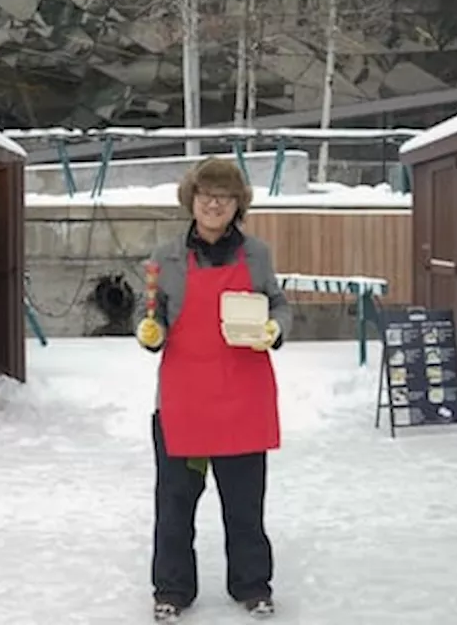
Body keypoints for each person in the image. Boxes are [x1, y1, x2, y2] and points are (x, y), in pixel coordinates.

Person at [135, 157, 291, 622]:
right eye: (206, 194)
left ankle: (252, 584)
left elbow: (280, 304)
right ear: (192, 200)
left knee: (244, 503)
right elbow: (153, 311)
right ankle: (172, 588)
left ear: (237, 204)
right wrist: (150, 330)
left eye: (224, 196)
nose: (214, 203)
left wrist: (273, 328)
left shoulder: (257, 254)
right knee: (175, 503)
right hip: (183, 402)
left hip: (244, 397)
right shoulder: (165, 257)